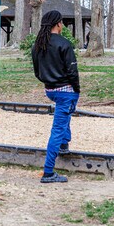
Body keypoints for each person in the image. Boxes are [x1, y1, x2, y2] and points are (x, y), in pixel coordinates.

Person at [31, 10, 80, 184]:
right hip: (66, 90)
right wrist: (77, 90)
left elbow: (37, 72)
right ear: (58, 24)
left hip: (50, 89)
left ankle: (64, 145)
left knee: (64, 114)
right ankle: (48, 172)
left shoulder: (38, 45)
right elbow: (72, 71)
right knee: (58, 129)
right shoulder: (64, 44)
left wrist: (48, 81)